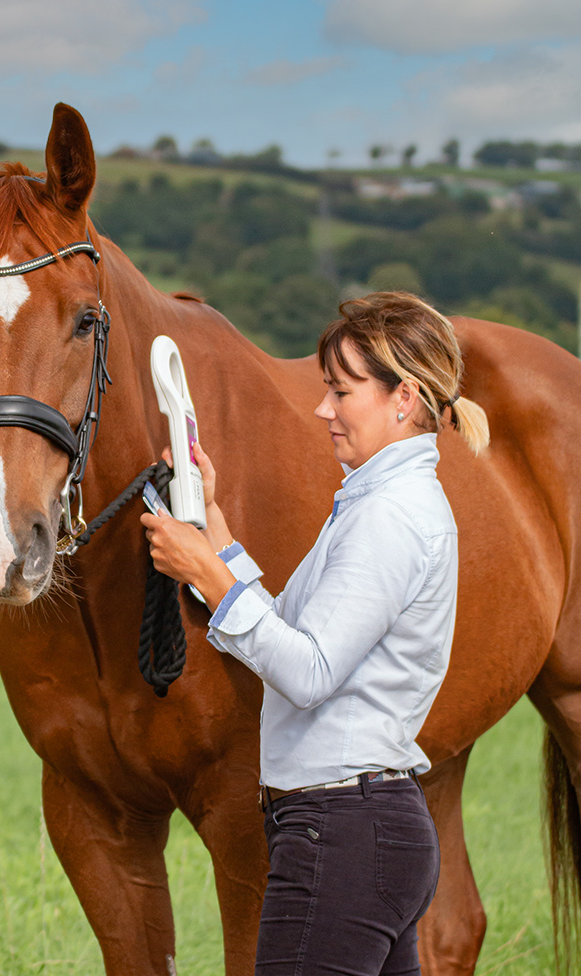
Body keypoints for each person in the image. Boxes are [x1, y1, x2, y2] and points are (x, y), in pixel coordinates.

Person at [140, 292, 490, 974]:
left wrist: (205, 574)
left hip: (343, 836)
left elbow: (307, 671)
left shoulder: (388, 516)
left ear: (403, 397)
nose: (323, 409)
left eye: (341, 391)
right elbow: (293, 631)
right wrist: (213, 521)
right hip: (362, 832)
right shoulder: (378, 503)